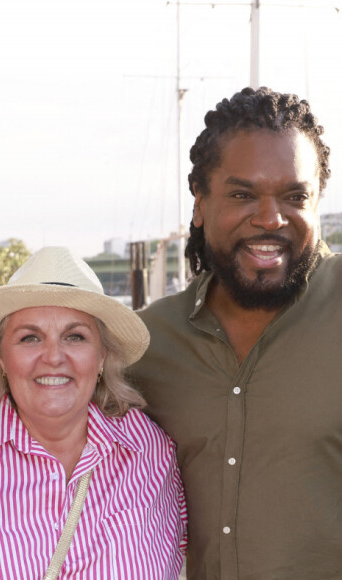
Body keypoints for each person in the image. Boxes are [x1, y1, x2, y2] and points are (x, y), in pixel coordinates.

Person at [128, 86, 342, 580]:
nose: (270, 219)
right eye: (243, 195)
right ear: (200, 203)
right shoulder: (146, 342)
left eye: (295, 196)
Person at [0, 246, 187, 579]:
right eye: (29, 338)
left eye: (75, 336)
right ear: (1, 357)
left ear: (101, 357)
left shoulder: (149, 451)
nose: (53, 357)